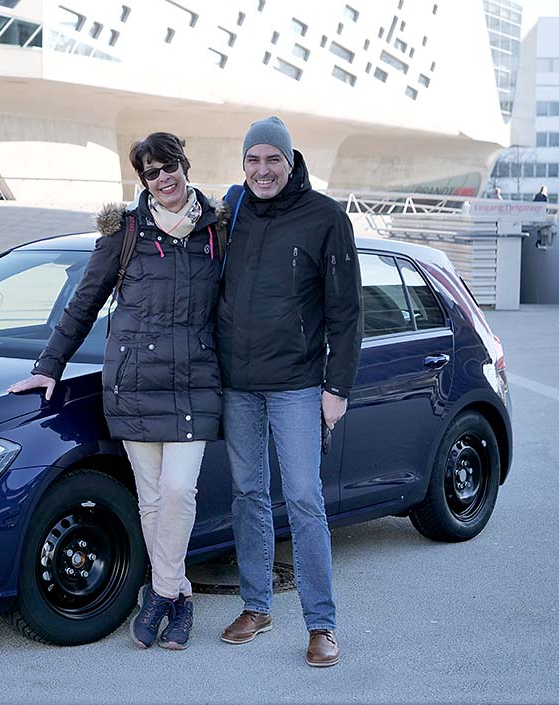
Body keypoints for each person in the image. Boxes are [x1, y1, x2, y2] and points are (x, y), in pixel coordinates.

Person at [8, 132, 228, 651]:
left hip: (195, 384)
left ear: (184, 164)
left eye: (169, 166)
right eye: (151, 172)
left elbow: (242, 307)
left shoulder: (218, 232)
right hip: (133, 387)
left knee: (179, 492)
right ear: (142, 181)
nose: (163, 178)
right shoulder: (125, 232)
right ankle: (180, 599)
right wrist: (49, 366)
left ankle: (161, 592)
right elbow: (84, 304)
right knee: (151, 499)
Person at [216, 116, 362, 668]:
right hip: (239, 385)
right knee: (248, 495)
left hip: (299, 385)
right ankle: (256, 607)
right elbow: (170, 211)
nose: (262, 170)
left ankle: (321, 624)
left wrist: (337, 386)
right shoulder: (232, 210)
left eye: (272, 159)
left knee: (303, 499)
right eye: (252, 159)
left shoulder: (325, 217)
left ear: (290, 160)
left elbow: (347, 312)